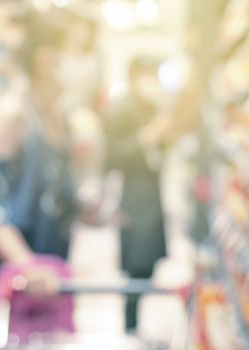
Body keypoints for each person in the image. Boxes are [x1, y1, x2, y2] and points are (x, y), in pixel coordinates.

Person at [0, 13, 78, 317]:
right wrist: (27, 265)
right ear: (46, 58)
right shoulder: (12, 113)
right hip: (6, 277)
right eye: (79, 52)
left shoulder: (57, 116)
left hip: (46, 271)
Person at [104, 57, 168, 330]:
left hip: (152, 194)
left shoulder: (152, 107)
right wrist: (144, 139)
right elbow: (112, 156)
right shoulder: (120, 110)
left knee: (148, 265)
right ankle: (129, 326)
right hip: (133, 195)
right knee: (135, 264)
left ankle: (135, 322)